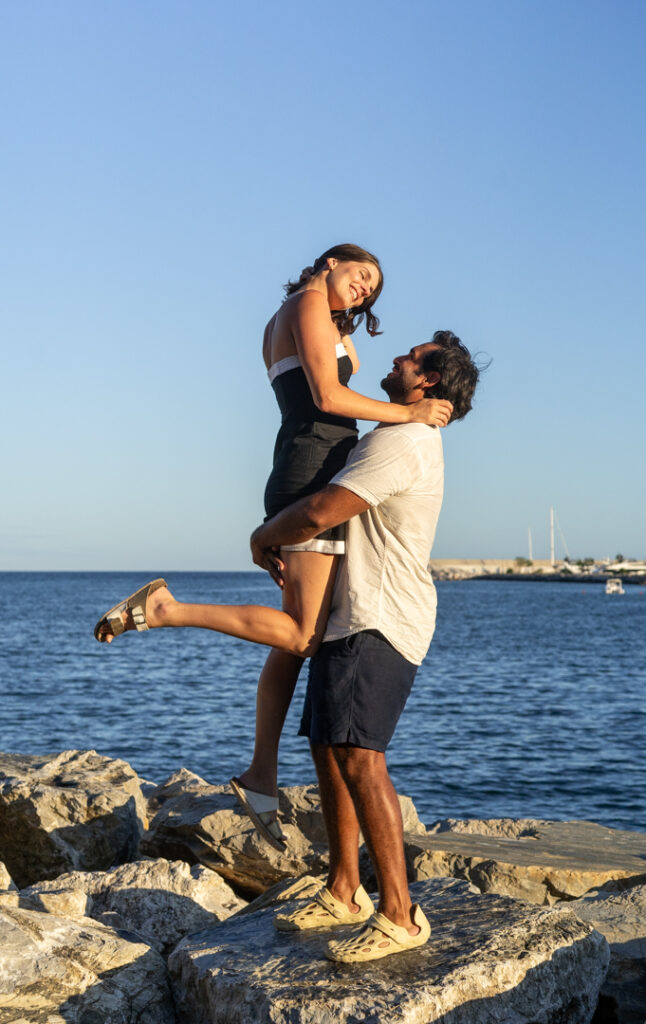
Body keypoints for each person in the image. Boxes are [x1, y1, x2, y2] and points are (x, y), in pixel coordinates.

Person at [94, 244, 452, 850]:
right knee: (302, 635)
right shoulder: (308, 303)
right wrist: (407, 414)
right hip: (311, 471)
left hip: (308, 463)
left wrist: (348, 335)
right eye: (360, 275)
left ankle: (262, 775)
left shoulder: (304, 311)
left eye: (372, 291)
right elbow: (329, 398)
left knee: (296, 639)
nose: (365, 291)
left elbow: (328, 381)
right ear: (330, 262)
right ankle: (165, 609)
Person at [248, 330, 480, 961]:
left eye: (411, 357)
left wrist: (265, 533)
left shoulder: (406, 442)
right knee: (327, 745)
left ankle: (401, 915)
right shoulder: (393, 430)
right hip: (351, 614)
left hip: (381, 616)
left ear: (428, 381)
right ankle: (345, 889)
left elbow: (324, 509)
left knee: (359, 754)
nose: (399, 358)